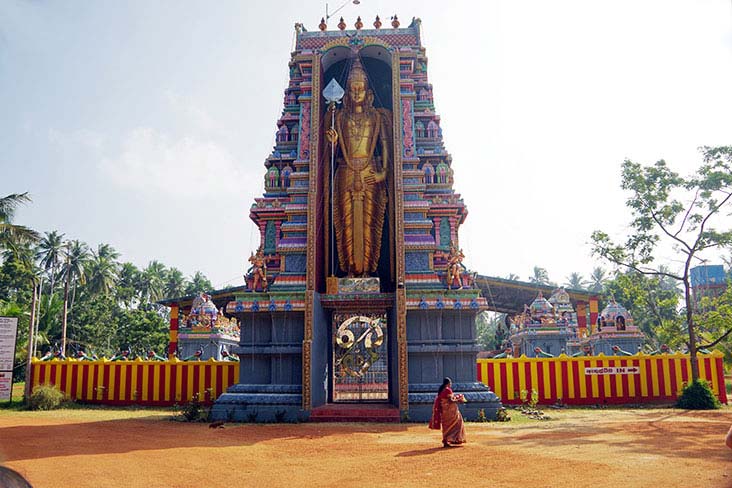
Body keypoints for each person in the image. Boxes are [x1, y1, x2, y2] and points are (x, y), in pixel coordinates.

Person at [325, 56, 392, 277]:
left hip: (370, 173)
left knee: (370, 224)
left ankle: (367, 272)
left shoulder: (377, 116)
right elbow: (332, 154)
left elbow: (384, 146)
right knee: (345, 224)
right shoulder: (339, 116)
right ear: (346, 92)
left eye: (360, 90)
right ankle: (349, 273)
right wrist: (333, 142)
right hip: (345, 172)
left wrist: (383, 173)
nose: (356, 94)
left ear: (367, 92)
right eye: (352, 90)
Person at [429, 377, 466, 448]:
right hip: (450, 411)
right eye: (450, 383)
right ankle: (455, 438)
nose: (451, 384)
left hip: (444, 411)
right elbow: (450, 400)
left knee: (446, 426)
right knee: (458, 422)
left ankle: (446, 440)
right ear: (448, 383)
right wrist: (459, 400)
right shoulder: (448, 390)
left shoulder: (442, 390)